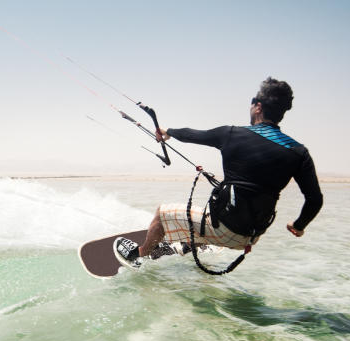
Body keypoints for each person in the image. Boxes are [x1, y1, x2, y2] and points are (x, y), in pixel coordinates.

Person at [115, 77, 323, 268]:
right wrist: (298, 225)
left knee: (162, 213)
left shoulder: (232, 134)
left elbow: (192, 134)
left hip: (223, 230)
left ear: (258, 107)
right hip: (251, 237)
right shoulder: (298, 152)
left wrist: (167, 132)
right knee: (209, 211)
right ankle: (187, 245)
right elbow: (315, 200)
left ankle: (138, 256)